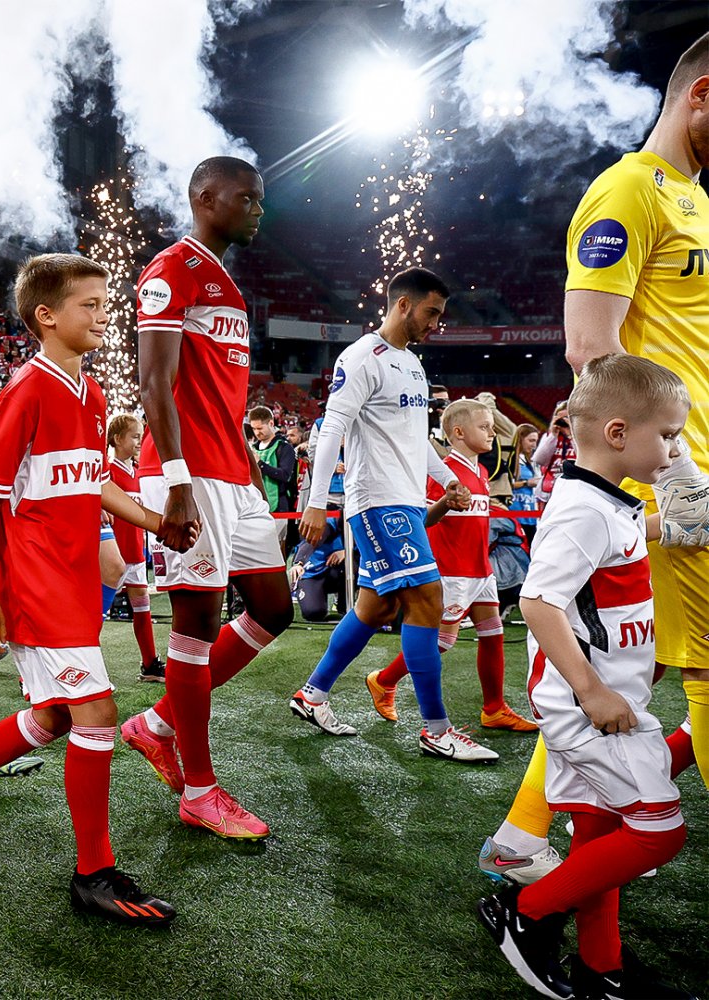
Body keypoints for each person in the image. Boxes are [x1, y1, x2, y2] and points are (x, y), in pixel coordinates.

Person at [477, 31, 709, 889]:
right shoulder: (628, 191)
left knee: (642, 673)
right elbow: (590, 350)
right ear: (702, 95)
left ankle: (524, 834)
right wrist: (678, 482)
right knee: (699, 672)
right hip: (672, 486)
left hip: (686, 479)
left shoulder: (695, 199)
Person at [0, 253, 174, 925]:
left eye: (106, 304)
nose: (105, 316)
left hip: (74, 576)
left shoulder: (92, 393)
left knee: (57, 716)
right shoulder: (26, 390)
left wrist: (155, 521)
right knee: (97, 712)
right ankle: (93, 874)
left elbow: (95, 480)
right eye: (91, 305)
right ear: (46, 315)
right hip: (34, 580)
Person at [478, 355, 694, 1000]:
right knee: (660, 830)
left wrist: (673, 522)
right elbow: (538, 603)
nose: (675, 450)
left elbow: (618, 547)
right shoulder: (584, 510)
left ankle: (602, 971)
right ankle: (528, 912)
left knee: (599, 838)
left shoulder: (606, 501)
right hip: (589, 709)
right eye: (668, 436)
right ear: (619, 433)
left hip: (605, 699)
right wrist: (593, 690)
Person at [122, 157, 292, 840]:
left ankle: (159, 722)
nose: (258, 210)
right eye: (247, 198)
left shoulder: (225, 281)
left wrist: (247, 468)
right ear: (205, 198)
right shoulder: (172, 270)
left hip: (231, 473)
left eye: (260, 200)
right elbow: (154, 383)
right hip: (185, 475)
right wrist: (178, 482)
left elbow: (220, 395)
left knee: (274, 608)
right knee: (196, 622)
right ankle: (199, 790)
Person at [290, 267, 499, 762]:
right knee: (428, 599)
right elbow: (332, 428)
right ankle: (436, 730)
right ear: (403, 305)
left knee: (377, 608)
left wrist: (444, 477)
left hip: (405, 499)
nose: (436, 324)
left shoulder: (412, 365)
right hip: (378, 501)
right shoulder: (363, 356)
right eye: (431, 312)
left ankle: (312, 694)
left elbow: (414, 437)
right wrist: (317, 502)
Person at [364, 399, 538, 732]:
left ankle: (494, 709)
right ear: (458, 432)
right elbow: (423, 520)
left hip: (480, 570)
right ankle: (384, 680)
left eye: (491, 427)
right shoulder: (442, 472)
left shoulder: (482, 472)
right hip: (452, 572)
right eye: (484, 427)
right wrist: (446, 501)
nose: (491, 434)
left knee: (493, 634)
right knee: (443, 642)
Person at [105, 413, 162, 681]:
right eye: (135, 436)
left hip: (136, 555)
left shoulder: (139, 473)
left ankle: (149, 663)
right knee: (95, 614)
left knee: (142, 607)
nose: (140, 441)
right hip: (112, 556)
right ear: (117, 439)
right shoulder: (107, 472)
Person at [247, 405, 297, 546]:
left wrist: (260, 464)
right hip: (255, 506)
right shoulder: (253, 448)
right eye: (254, 429)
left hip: (278, 506)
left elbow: (285, 475)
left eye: (260, 428)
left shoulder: (284, 447)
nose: (257, 432)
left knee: (276, 548)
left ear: (270, 423)